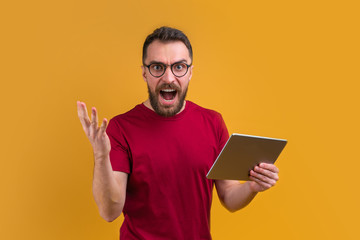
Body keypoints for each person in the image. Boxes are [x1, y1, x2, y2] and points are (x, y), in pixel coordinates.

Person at [77, 26, 280, 239]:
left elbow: (229, 197)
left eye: (179, 67)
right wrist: (101, 157)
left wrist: (252, 187)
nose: (169, 78)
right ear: (144, 72)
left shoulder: (213, 122)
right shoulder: (120, 128)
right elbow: (109, 212)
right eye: (157, 67)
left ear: (190, 72)